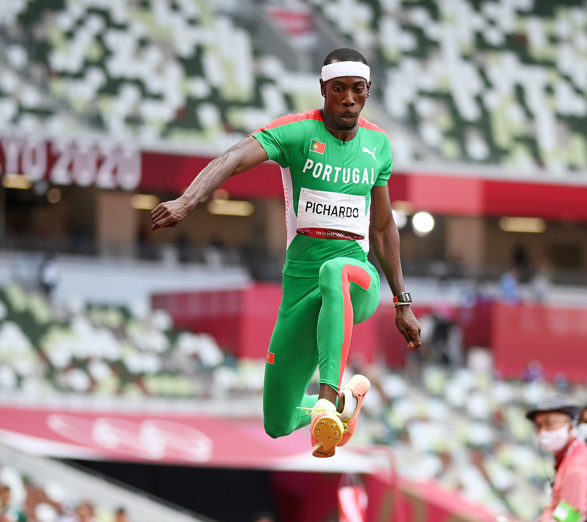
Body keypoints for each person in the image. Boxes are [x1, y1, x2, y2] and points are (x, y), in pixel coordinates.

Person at [152, 47, 422, 458]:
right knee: (276, 422)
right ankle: (344, 408)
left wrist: (402, 301)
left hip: (356, 281)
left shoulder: (378, 144)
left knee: (336, 270)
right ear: (322, 90)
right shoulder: (296, 132)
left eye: (357, 89)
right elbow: (234, 157)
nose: (348, 98)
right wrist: (188, 200)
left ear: (367, 92)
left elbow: (383, 228)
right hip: (301, 293)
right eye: (338, 89)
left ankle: (328, 399)